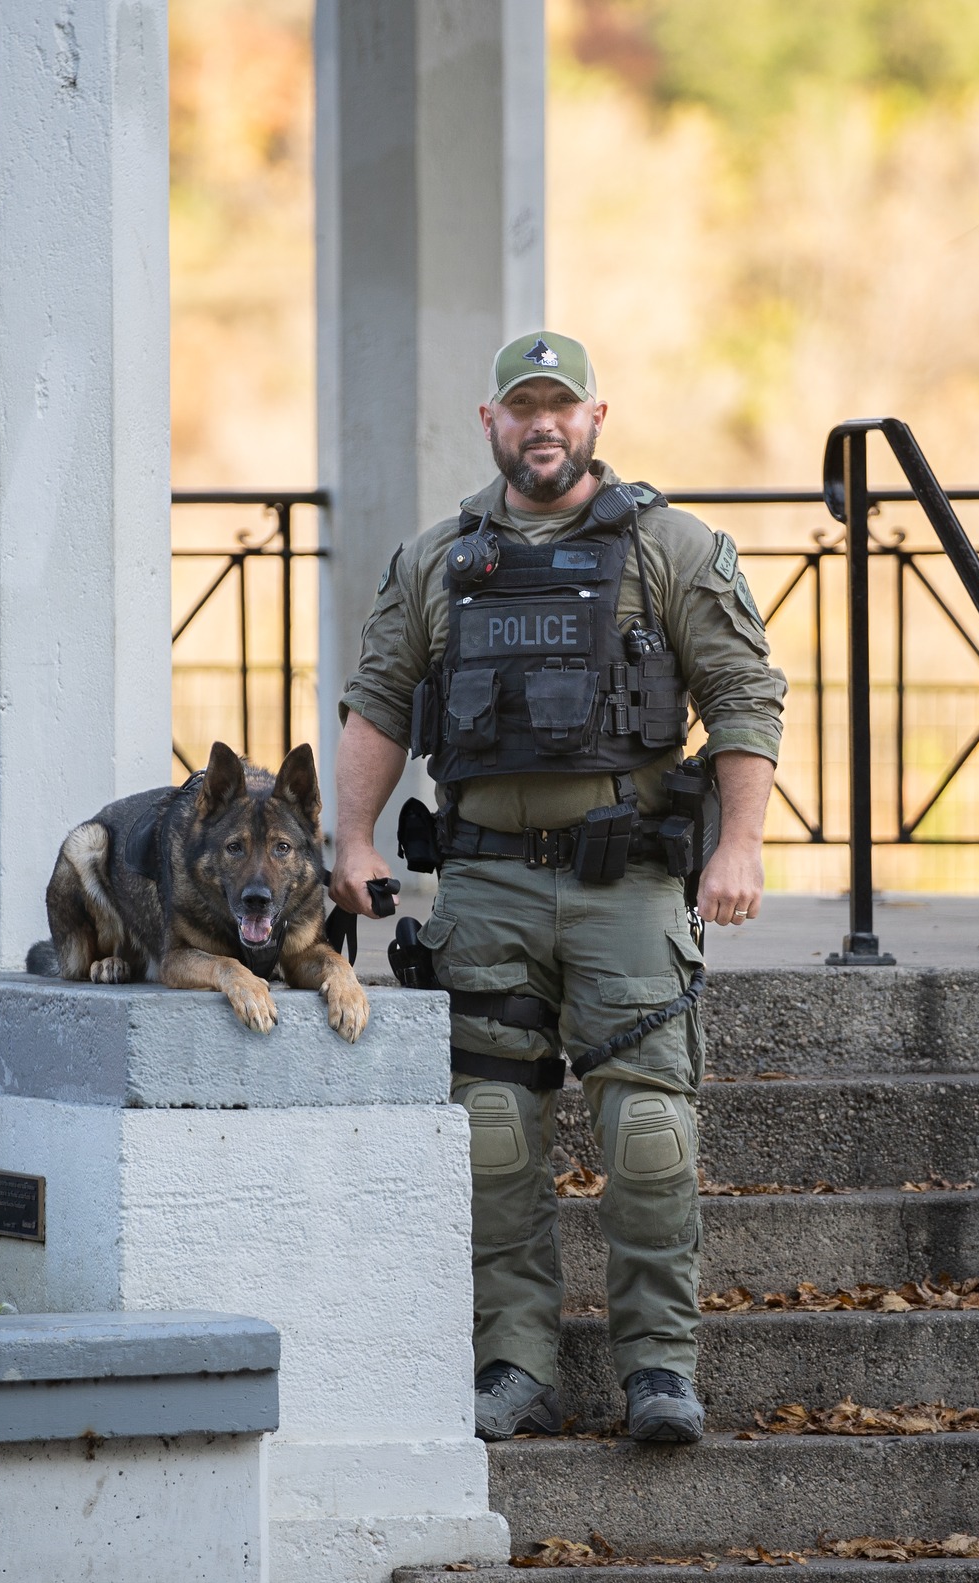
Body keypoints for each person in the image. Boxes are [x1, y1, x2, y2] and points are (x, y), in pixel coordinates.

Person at [330, 331, 786, 1444]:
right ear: (490, 422)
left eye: (562, 405)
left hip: (622, 885)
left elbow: (741, 694)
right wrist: (347, 835)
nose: (542, 422)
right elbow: (381, 701)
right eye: (521, 405)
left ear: (594, 418)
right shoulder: (438, 560)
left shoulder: (671, 548)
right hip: (481, 886)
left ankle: (658, 1370)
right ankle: (514, 1362)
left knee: (646, 1133)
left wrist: (739, 844)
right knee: (493, 1133)